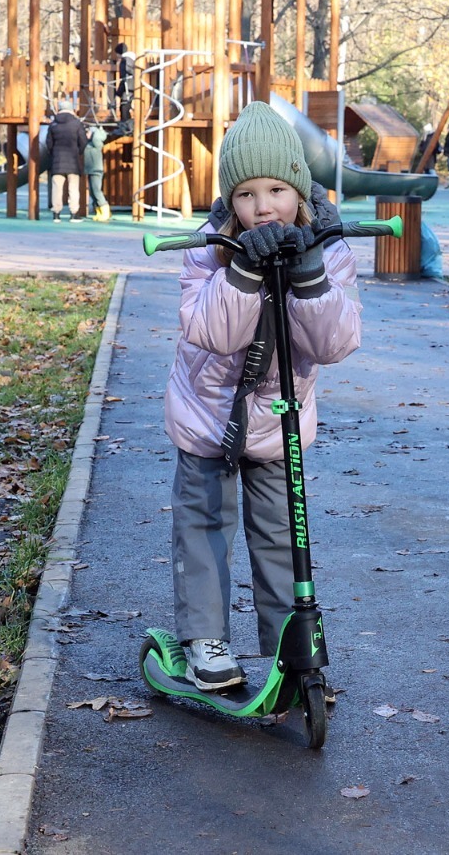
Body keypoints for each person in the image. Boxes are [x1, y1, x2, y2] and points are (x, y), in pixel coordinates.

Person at [163, 101, 361, 691]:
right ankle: (205, 638)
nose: (262, 206)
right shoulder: (208, 248)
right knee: (202, 524)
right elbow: (213, 332)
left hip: (278, 424)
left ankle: (286, 644)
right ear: (230, 201)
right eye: (246, 194)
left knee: (280, 533)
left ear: (299, 189)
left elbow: (333, 343)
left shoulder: (328, 249)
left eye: (276, 189)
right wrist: (243, 272)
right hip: (208, 416)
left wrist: (307, 273)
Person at [46, 100, 88, 222]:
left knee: (57, 188)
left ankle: (56, 213)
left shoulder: (53, 124)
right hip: (73, 160)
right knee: (73, 188)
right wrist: (78, 152)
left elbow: (49, 143)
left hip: (57, 161)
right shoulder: (76, 124)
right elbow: (83, 141)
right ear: (71, 109)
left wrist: (54, 154)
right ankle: (74, 213)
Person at [83, 120, 111, 221]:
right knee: (92, 192)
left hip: (96, 170)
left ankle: (105, 210)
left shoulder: (96, 142)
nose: (87, 134)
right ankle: (98, 210)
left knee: (96, 190)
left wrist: (95, 131)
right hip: (90, 170)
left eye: (88, 132)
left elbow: (97, 139)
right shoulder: (89, 143)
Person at [113, 43, 136, 125]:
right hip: (132, 86)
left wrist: (118, 92)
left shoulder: (124, 61)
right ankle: (128, 124)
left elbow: (124, 78)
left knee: (124, 107)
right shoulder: (132, 61)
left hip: (127, 87)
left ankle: (126, 126)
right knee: (127, 106)